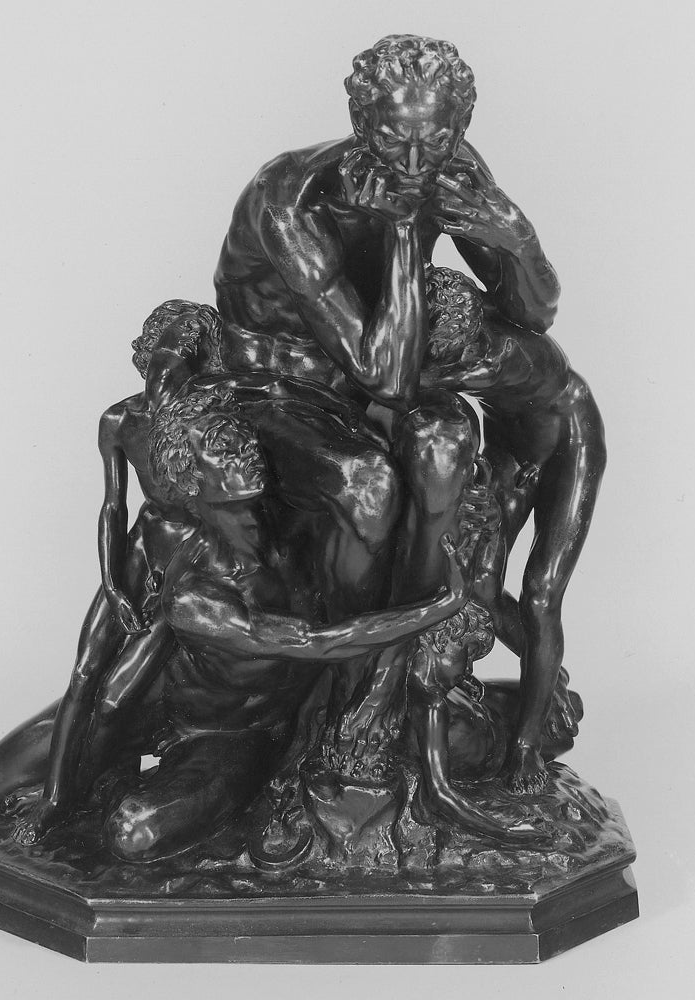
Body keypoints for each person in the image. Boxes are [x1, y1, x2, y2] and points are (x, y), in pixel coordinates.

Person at [213, 34, 561, 740]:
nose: (412, 163)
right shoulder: (290, 198)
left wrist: (517, 239)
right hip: (273, 387)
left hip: (371, 369)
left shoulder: (451, 168)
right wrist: (403, 230)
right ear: (360, 121)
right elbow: (389, 381)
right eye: (393, 139)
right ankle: (348, 685)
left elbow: (535, 313)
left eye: (434, 142)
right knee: (365, 486)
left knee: (447, 443)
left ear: (459, 127)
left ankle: (409, 671)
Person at [100, 387, 489, 862]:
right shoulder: (195, 596)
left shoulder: (299, 529)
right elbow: (319, 642)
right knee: (19, 779)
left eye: (242, 438)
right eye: (223, 448)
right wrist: (442, 604)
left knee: (134, 832)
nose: (245, 451)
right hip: (182, 713)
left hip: (242, 730)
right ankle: (105, 777)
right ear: (189, 478)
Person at [0, 299, 224, 841]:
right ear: (150, 344)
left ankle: (84, 790)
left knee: (115, 695)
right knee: (83, 674)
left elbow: (216, 519)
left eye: (191, 346)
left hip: (188, 563)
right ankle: (58, 797)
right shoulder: (120, 419)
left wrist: (172, 586)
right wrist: (112, 583)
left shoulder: (202, 426)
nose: (177, 353)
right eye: (171, 339)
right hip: (137, 552)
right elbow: (113, 507)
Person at [419, 266, 606, 793]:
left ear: (465, 330)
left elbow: (403, 383)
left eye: (442, 345)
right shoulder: (452, 341)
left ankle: (525, 744)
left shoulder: (495, 355)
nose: (435, 353)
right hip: (511, 447)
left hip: (569, 444)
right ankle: (549, 678)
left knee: (541, 595)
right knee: (479, 586)